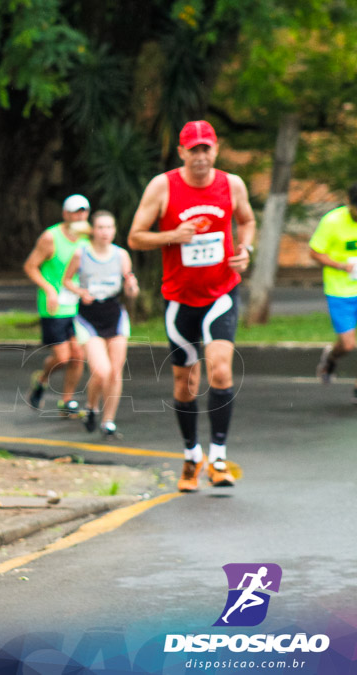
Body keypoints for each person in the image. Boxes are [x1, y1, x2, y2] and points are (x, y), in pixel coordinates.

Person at [127, 120, 255, 493]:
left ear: (216, 150)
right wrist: (172, 236)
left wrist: (246, 249)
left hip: (221, 293)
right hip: (180, 298)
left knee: (220, 370)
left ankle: (218, 456)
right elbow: (136, 236)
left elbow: (246, 221)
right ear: (181, 152)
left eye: (206, 149)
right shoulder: (163, 186)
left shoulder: (231, 184)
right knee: (185, 383)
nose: (201, 156)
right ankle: (190, 455)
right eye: (193, 149)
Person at [62, 210, 139, 438]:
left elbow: (130, 289)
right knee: (102, 371)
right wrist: (80, 291)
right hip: (88, 316)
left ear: (114, 231)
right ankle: (92, 406)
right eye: (101, 228)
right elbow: (66, 280)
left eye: (109, 228)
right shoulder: (81, 253)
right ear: (93, 231)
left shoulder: (121, 255)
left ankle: (108, 421)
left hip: (114, 313)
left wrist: (132, 286)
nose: (105, 232)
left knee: (115, 371)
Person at [23, 194, 89, 416]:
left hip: (77, 305)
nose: (79, 216)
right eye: (75, 211)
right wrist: (49, 289)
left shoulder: (87, 237)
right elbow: (31, 266)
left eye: (83, 211)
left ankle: (67, 401)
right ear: (65, 214)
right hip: (54, 306)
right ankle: (41, 380)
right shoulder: (50, 237)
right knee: (62, 357)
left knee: (78, 355)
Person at [309, 182, 357, 404]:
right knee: (348, 344)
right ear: (350, 204)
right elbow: (315, 252)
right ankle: (331, 357)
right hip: (340, 291)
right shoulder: (332, 221)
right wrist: (340, 265)